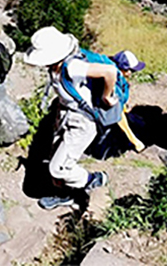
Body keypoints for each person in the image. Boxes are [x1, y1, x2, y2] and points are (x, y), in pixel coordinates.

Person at [23, 26, 115, 210]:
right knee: (54, 159)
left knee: (58, 167)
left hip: (82, 122)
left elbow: (109, 71)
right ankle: (63, 195)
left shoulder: (73, 66)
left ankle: (93, 180)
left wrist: (106, 96)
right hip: (65, 115)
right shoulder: (55, 67)